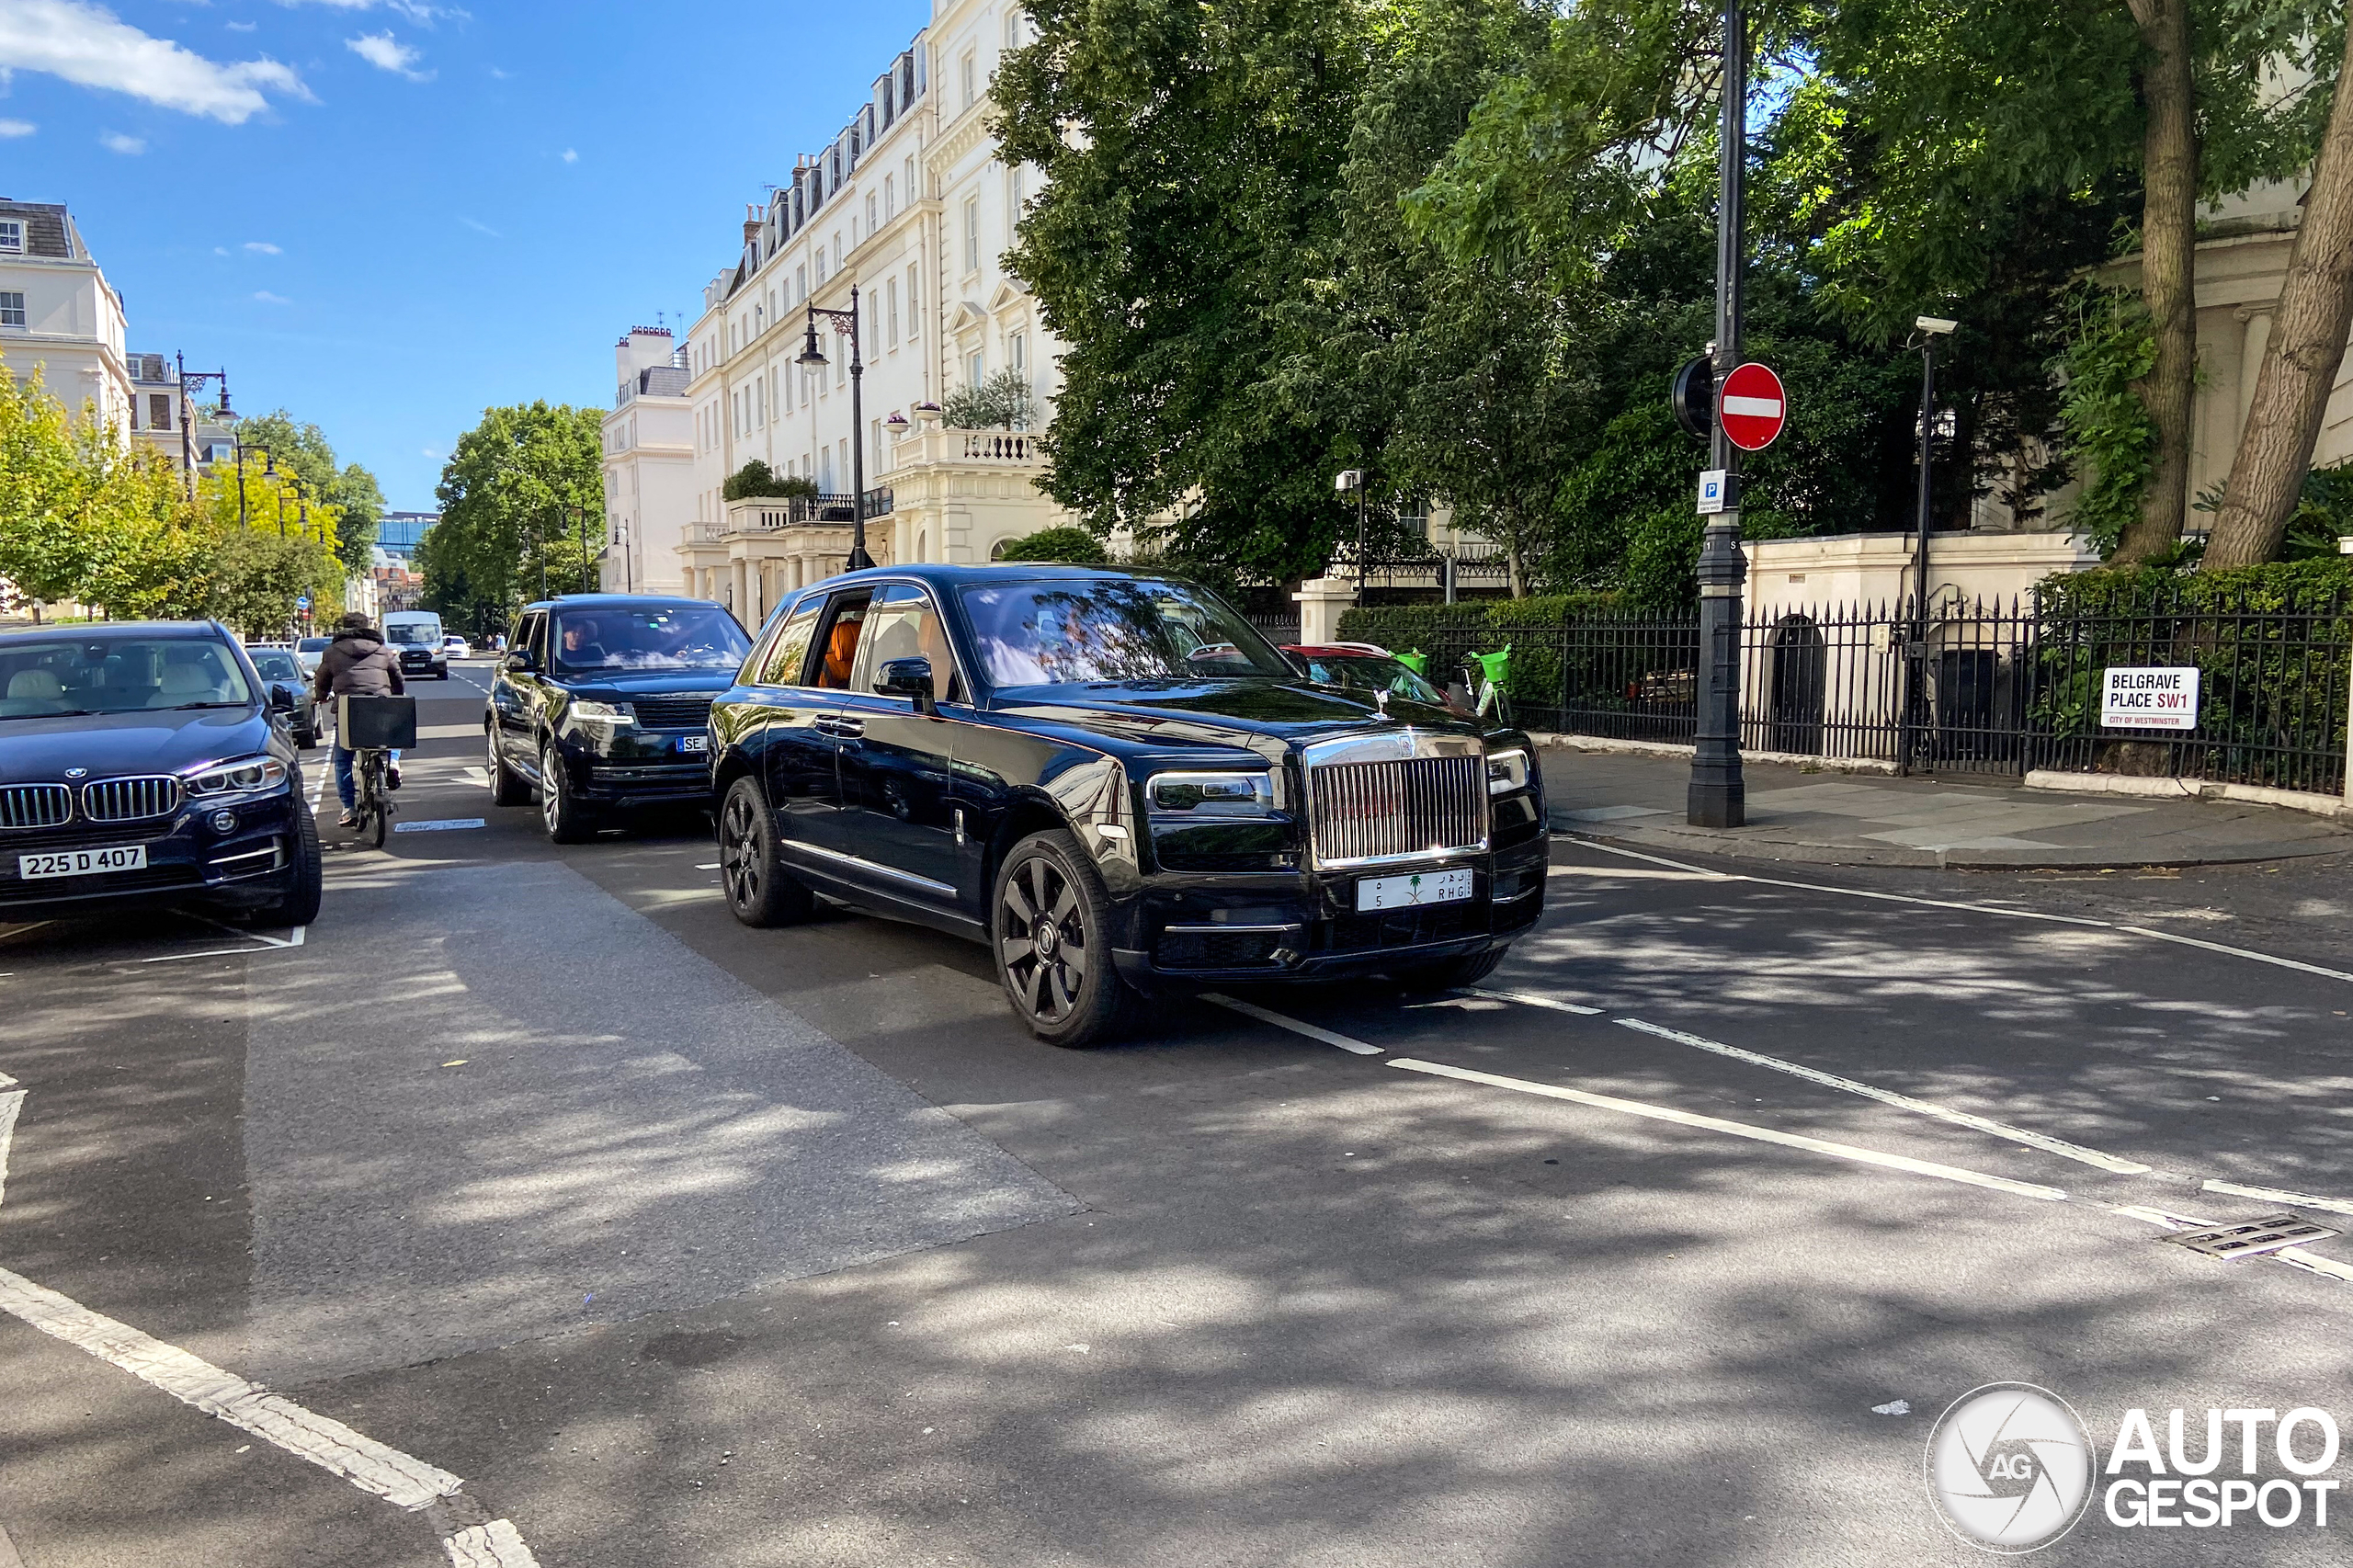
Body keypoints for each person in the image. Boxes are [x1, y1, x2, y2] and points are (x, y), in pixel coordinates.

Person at [313, 611, 405, 829]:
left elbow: (322, 679)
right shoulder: (382, 650)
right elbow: (397, 677)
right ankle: (392, 761)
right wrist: (397, 696)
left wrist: (320, 696)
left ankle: (348, 808)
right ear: (368, 627)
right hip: (379, 705)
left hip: (349, 710)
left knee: (344, 759)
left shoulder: (332, 652)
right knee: (393, 733)